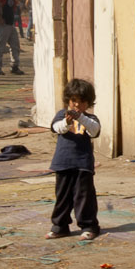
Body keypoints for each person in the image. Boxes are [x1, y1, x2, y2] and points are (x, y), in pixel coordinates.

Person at [48, 78, 103, 240]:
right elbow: (56, 128)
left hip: (83, 164)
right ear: (68, 101)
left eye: (82, 102)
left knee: (84, 197)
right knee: (63, 197)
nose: (77, 105)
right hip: (63, 163)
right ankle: (60, 226)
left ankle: (89, 226)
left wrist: (80, 118)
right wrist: (67, 121)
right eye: (74, 101)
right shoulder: (61, 115)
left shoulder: (91, 119)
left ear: (89, 102)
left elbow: (94, 131)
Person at [0, 0, 25, 75]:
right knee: (0, 46)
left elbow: (14, 7)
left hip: (10, 24)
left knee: (15, 45)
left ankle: (14, 66)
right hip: (3, 25)